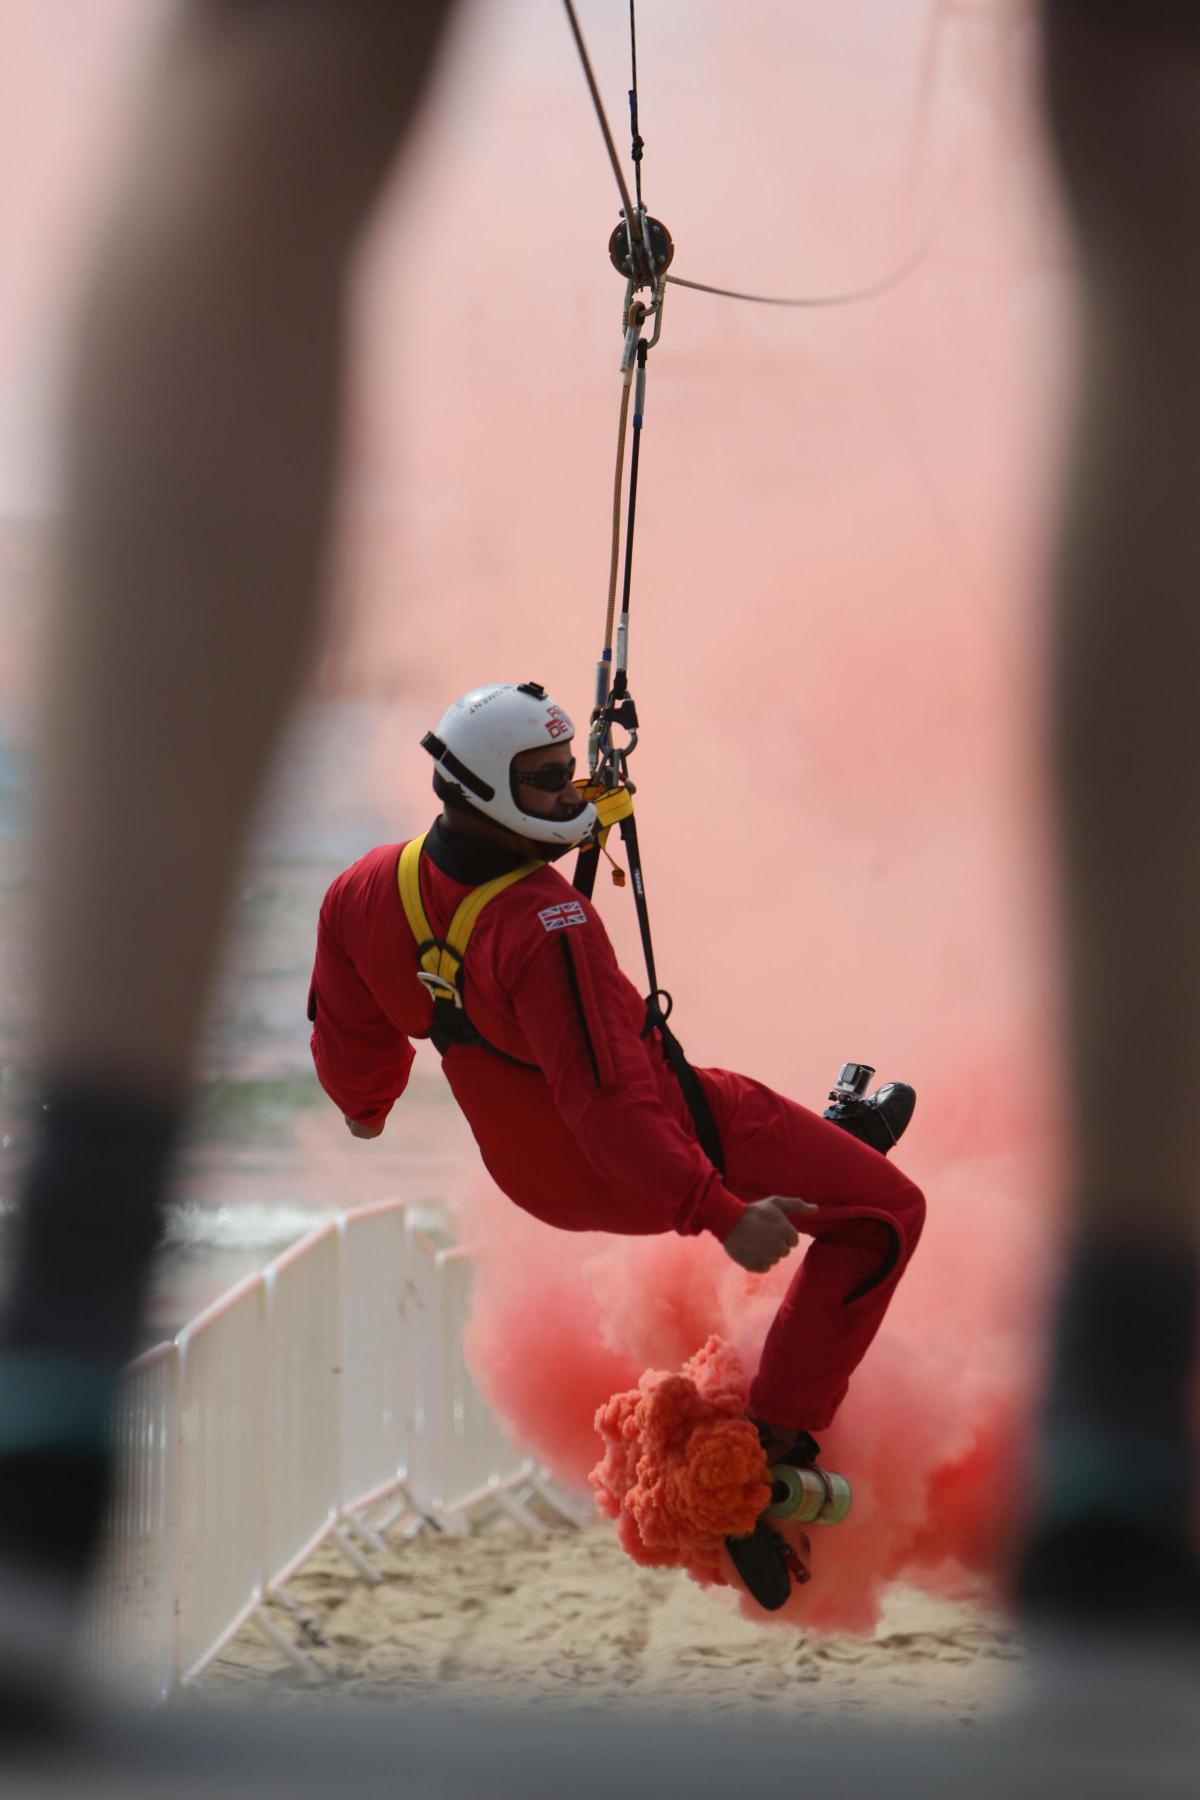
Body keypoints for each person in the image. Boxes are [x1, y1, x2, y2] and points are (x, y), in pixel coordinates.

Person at [309, 680, 926, 1608]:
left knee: (793, 1146)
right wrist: (716, 1214)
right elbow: (610, 1105)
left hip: (530, 1174)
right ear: (489, 793)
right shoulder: (547, 925)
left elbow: (349, 1033)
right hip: (644, 1151)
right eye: (548, 779)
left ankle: (829, 1147)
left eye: (568, 772)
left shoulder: (364, 888)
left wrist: (367, 1111)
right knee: (885, 1212)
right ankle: (769, 1448)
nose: (569, 790)